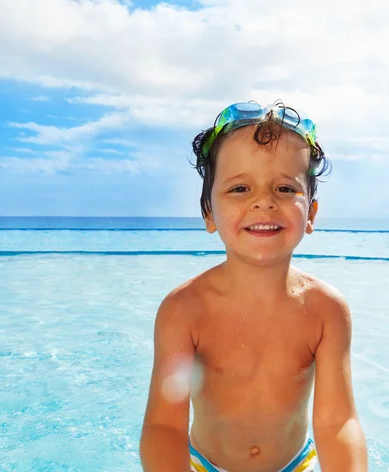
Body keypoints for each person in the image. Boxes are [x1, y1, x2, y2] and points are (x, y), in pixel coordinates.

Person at [140, 101, 368, 471]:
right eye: (240, 188)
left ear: (310, 213)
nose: (264, 201)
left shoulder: (326, 310)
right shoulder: (184, 310)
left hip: (295, 463)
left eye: (283, 187)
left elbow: (337, 421)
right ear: (209, 213)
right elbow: (164, 426)